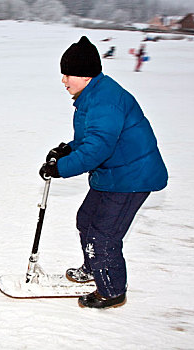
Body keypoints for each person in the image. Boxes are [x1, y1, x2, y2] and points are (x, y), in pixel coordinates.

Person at [39, 36, 168, 309]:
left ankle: (111, 290)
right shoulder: (94, 94)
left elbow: (97, 149)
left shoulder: (105, 102)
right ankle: (93, 267)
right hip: (114, 172)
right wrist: (67, 150)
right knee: (86, 220)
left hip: (131, 177)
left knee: (103, 236)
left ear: (86, 76)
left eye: (68, 74)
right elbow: (93, 139)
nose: (64, 80)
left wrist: (60, 168)